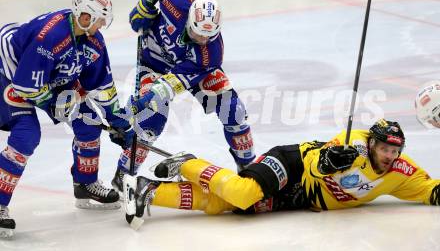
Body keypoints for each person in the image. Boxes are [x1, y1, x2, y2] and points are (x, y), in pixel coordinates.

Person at [0, 0, 133, 238]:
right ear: (85, 17)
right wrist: (53, 103)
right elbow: (26, 85)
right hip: (8, 71)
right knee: (26, 134)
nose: (102, 26)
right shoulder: (49, 37)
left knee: (89, 122)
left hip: (46, 77)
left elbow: (102, 87)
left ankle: (85, 183)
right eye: (100, 20)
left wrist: (119, 122)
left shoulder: (93, 40)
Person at [123, 118, 440, 224]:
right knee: (241, 191)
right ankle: (186, 161)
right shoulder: (352, 144)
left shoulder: (401, 171)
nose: (388, 155)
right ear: (372, 144)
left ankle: (150, 191)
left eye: (394, 150)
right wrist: (329, 162)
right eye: (384, 148)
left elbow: (429, 190)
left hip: (303, 199)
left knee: (229, 204)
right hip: (295, 164)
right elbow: (318, 166)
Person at [111, 0, 255, 192]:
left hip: (191, 70)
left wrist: (141, 101)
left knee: (232, 109)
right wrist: (144, 6)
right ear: (189, 18)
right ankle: (123, 174)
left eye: (209, 36)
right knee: (150, 121)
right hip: (153, 61)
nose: (202, 39)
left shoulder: (210, 53)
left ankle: (248, 166)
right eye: (198, 33)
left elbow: (168, 86)